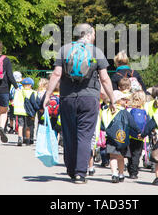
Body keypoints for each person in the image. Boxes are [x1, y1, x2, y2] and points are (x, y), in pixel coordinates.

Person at [42, 23, 116, 184]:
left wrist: (48, 95)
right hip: (89, 99)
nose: (95, 37)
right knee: (84, 135)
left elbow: (56, 74)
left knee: (69, 135)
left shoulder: (64, 49)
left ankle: (70, 169)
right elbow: (104, 78)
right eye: (94, 34)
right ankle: (80, 174)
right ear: (88, 34)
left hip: (67, 98)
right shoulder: (96, 52)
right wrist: (111, 99)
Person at [101, 90, 141, 183]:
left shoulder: (106, 110)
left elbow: (103, 125)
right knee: (120, 157)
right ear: (117, 100)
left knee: (112, 157)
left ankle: (114, 174)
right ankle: (121, 174)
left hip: (111, 138)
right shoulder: (124, 112)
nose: (125, 101)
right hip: (122, 138)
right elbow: (132, 123)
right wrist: (138, 131)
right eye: (123, 99)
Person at [126, 90, 148, 179]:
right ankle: (134, 172)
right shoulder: (145, 111)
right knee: (137, 154)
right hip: (140, 136)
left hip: (130, 135)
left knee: (130, 153)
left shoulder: (129, 110)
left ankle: (130, 169)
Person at [9, 71, 23, 137]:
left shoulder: (11, 86)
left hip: (11, 102)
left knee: (11, 116)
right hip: (18, 103)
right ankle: (16, 128)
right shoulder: (21, 86)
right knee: (17, 116)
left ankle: (11, 127)